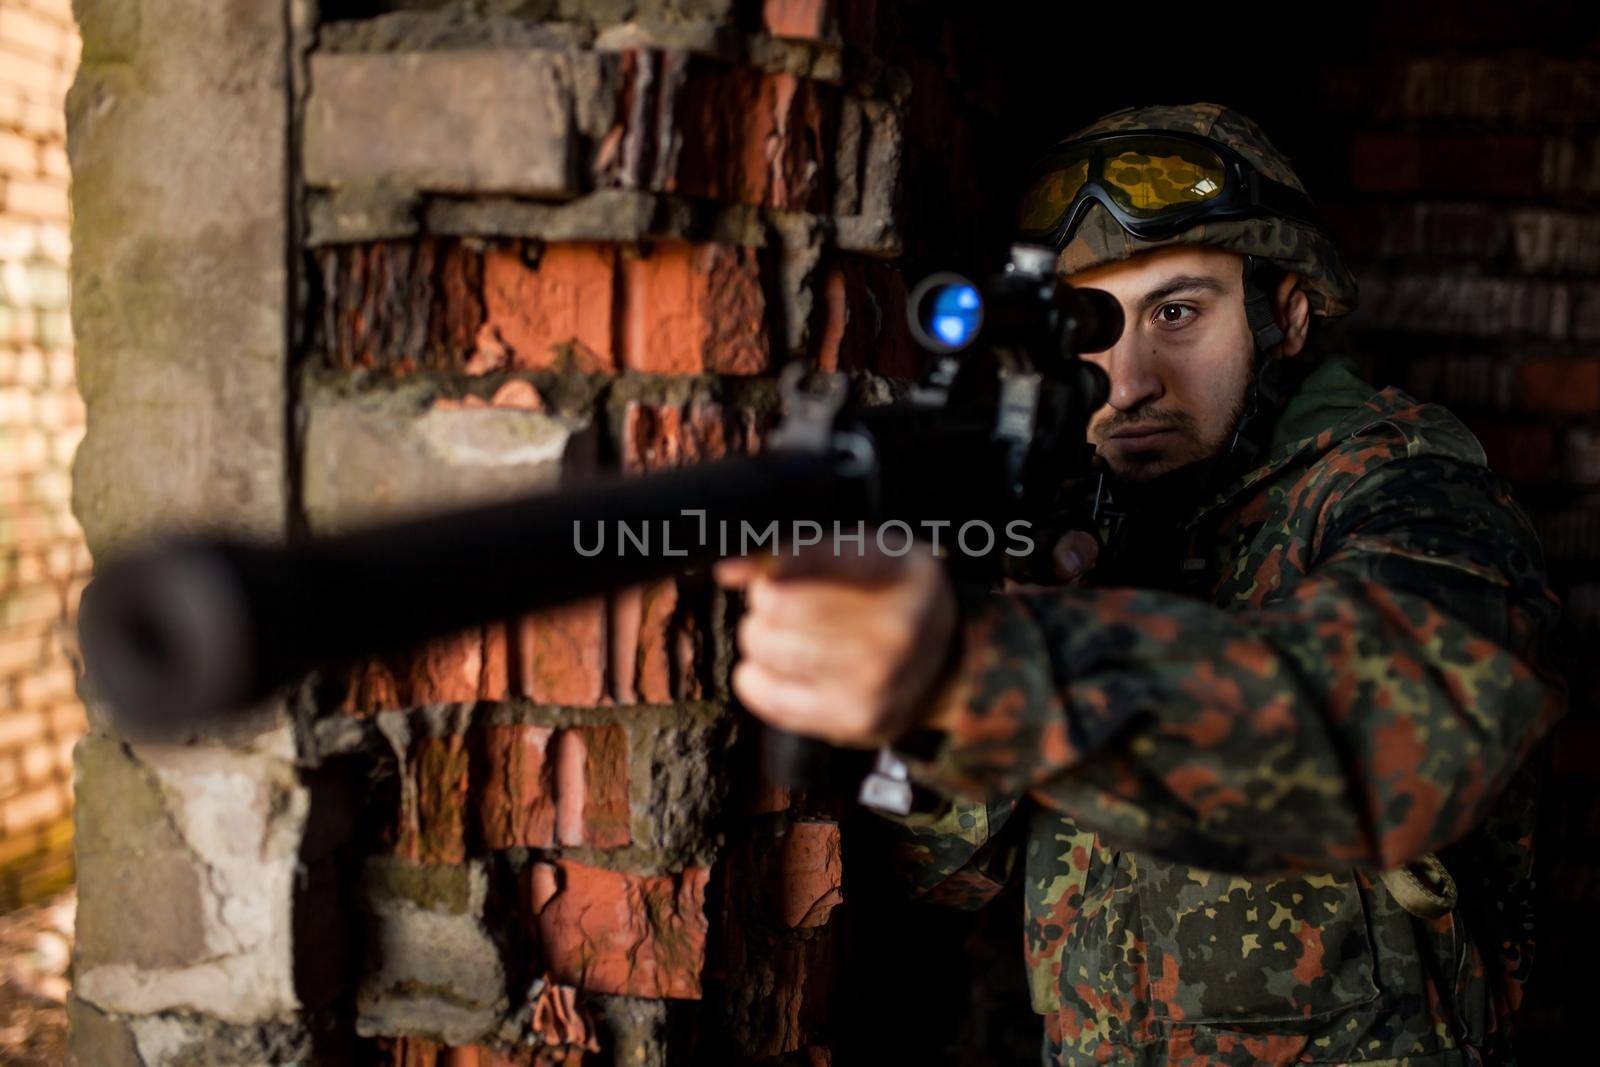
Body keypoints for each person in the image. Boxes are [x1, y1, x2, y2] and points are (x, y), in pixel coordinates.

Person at [714, 102, 1568, 1065]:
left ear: (1283, 313)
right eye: (1093, 323)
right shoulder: (1087, 517)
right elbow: (944, 877)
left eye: (1177, 312)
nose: (1128, 381)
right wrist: (988, 604)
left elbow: (1409, 733)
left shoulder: (1400, 481)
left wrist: (988, 667)